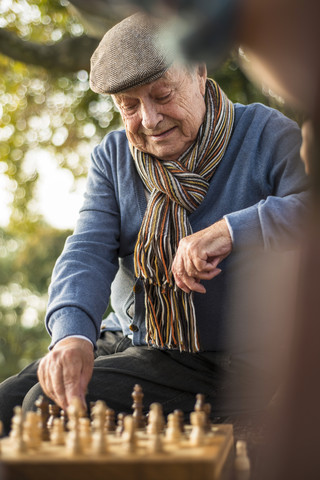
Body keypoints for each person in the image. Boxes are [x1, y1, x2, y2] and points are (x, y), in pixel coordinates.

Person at [0, 12, 309, 436]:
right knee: (6, 403)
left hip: (229, 360)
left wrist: (232, 229)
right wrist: (72, 337)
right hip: (134, 337)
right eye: (129, 105)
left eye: (162, 95)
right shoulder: (112, 156)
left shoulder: (267, 133)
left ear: (199, 73)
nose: (149, 119)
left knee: (44, 408)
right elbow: (87, 249)